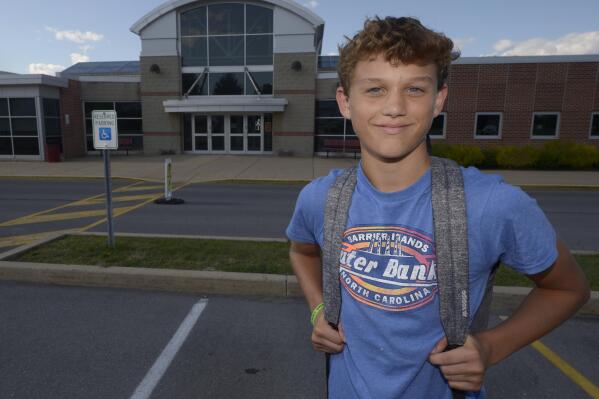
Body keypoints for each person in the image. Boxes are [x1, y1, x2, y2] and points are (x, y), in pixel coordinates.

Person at [286, 16, 590, 398]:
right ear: (345, 102)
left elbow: (568, 289)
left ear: (439, 100)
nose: (395, 107)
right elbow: (301, 251)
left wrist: (492, 346)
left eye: (414, 89)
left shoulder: (492, 204)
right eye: (375, 89)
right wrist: (318, 310)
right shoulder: (320, 198)